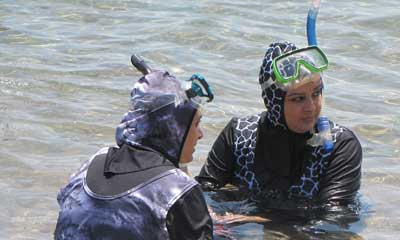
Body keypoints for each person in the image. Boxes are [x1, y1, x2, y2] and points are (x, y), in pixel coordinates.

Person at [54, 58, 215, 240]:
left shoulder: (90, 165)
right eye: (196, 124)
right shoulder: (178, 191)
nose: (200, 134)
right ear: (174, 129)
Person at [196, 41, 362, 210]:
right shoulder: (238, 135)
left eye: (316, 93)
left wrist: (253, 219)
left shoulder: (340, 145)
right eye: (298, 98)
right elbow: (203, 192)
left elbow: (335, 219)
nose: (311, 107)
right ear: (274, 102)